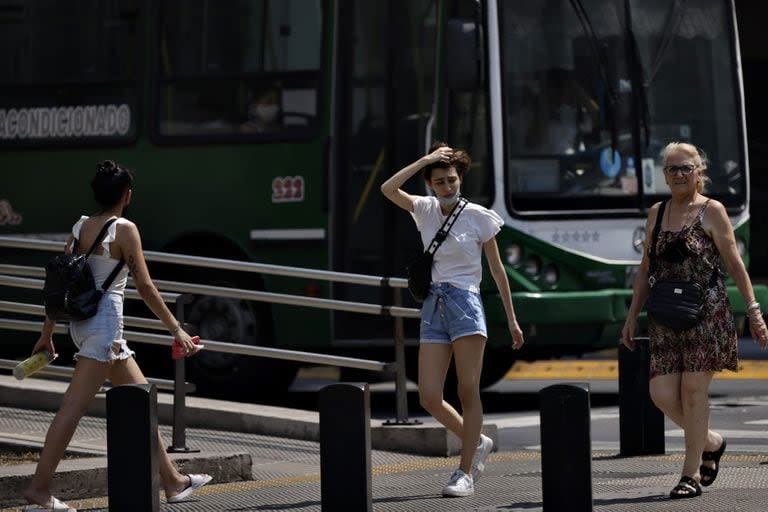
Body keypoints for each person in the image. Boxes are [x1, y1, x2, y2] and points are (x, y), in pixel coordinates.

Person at [22, 160, 212, 511]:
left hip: (82, 326)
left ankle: (173, 482)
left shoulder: (80, 227)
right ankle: (38, 490)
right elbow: (145, 285)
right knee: (71, 410)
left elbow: (59, 283)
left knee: (142, 403)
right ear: (127, 195)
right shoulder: (124, 230)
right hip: (104, 329)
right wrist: (177, 329)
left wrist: (47, 333)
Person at [621, 142, 768, 499]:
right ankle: (712, 441)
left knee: (692, 392)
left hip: (706, 312)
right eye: (672, 169)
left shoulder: (712, 211)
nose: (679, 175)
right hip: (665, 316)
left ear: (699, 171)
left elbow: (734, 264)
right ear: (665, 175)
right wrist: (631, 317)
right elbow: (645, 270)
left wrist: (753, 311)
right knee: (660, 393)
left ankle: (690, 475)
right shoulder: (657, 212)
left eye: (686, 168)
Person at [380, 142, 525, 497]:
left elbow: (497, 269)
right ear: (430, 184)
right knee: (429, 395)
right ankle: (478, 441)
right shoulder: (424, 209)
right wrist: (425, 159)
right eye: (440, 181)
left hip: (466, 301)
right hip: (433, 303)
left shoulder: (478, 216)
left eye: (452, 180)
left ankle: (464, 472)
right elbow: (388, 188)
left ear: (461, 180)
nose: (448, 186)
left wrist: (511, 319)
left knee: (466, 390)